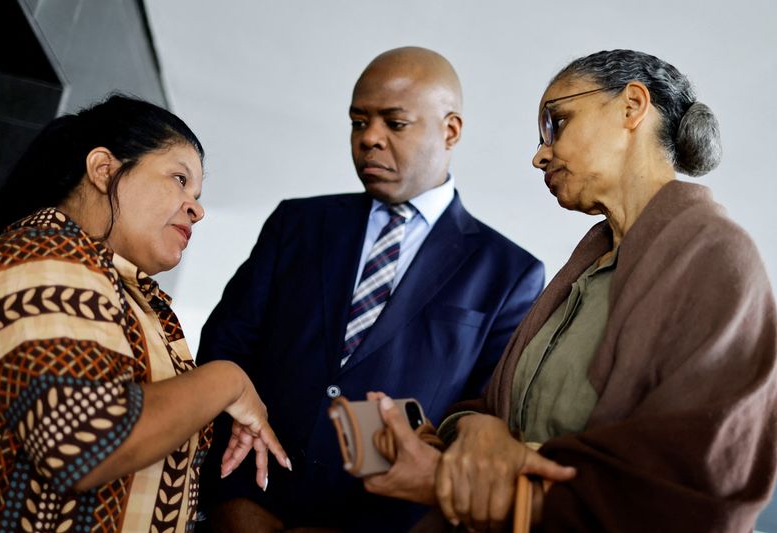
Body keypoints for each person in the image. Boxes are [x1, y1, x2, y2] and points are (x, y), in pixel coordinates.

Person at [365, 49, 777, 532]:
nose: (539, 153)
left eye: (556, 122)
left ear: (631, 106)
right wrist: (466, 435)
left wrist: (460, 479)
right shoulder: (587, 269)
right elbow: (492, 414)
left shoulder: (717, 256)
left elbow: (695, 483)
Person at [195, 46, 545, 531]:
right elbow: (226, 342)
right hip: (248, 497)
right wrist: (231, 489)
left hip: (385, 520)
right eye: (359, 122)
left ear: (451, 130)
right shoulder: (297, 223)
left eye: (394, 123)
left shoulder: (510, 272)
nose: (369, 139)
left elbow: (484, 411)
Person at [0, 95, 290, 532]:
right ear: (103, 169)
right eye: (179, 178)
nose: (198, 208)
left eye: (197, 193)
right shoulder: (50, 252)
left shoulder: (120, 286)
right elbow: (83, 441)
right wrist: (228, 380)